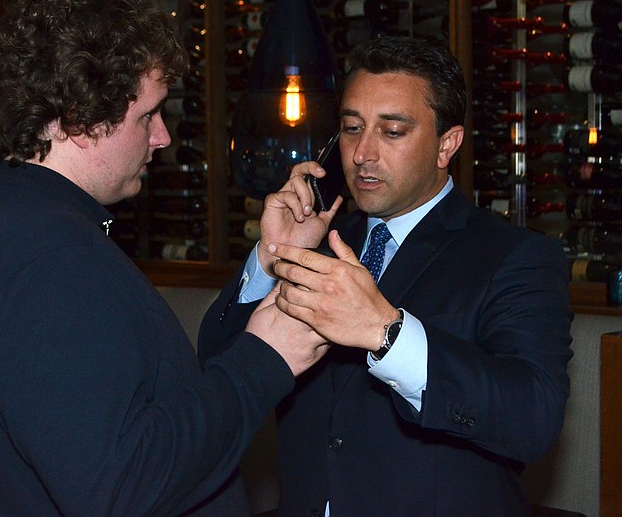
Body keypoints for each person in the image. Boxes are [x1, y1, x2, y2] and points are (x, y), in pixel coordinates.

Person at [0, 0, 332, 516]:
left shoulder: (2, 218)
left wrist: (267, 264)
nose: (162, 136)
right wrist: (265, 360)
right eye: (148, 115)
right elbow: (120, 484)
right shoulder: (44, 254)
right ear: (79, 120)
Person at [198, 36, 574, 515]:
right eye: (352, 128)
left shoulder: (513, 255)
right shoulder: (321, 241)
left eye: (392, 132)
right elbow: (214, 363)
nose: (362, 154)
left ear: (447, 145)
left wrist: (387, 333)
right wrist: (271, 256)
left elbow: (533, 419)